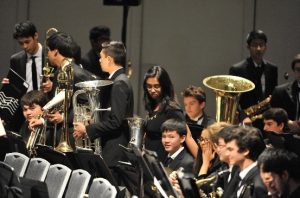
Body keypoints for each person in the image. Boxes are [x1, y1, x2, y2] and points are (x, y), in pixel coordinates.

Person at [73, 41, 134, 171]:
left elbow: (116, 121)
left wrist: (87, 129)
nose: (100, 60)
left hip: (114, 151)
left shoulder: (119, 83)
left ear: (109, 59)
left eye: (101, 57)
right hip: (112, 150)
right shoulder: (119, 80)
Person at [1, 21, 44, 132]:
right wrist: (9, 86)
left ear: (36, 36)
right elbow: (17, 86)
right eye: (21, 43)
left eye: (27, 42)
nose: (24, 46)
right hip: (25, 112)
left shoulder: (49, 56)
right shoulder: (16, 59)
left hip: (45, 109)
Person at [229, 30, 278, 127]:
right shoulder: (237, 69)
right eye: (255, 45)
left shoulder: (272, 69)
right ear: (248, 47)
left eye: (262, 45)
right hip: (245, 119)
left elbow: (273, 95)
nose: (259, 48)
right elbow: (233, 98)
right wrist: (243, 117)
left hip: (266, 119)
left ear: (266, 46)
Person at [143, 65, 185, 162]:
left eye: (156, 86)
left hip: (164, 165)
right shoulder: (153, 106)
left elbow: (186, 137)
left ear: (164, 86)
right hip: (150, 162)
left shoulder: (172, 109)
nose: (152, 90)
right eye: (149, 86)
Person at [223, 125, 268, 198]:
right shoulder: (241, 174)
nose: (226, 154)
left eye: (230, 149)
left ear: (245, 150)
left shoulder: (259, 182)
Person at [271, 53, 300, 121]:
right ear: (294, 71)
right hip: (287, 131)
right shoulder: (280, 92)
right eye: (298, 70)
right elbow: (271, 115)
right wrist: (287, 122)